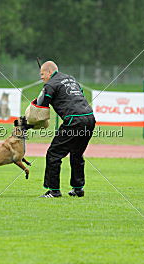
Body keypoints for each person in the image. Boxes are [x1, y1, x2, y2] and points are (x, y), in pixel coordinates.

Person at [36, 61, 96, 198]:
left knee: (53, 154)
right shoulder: (71, 79)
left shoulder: (50, 84)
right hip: (89, 118)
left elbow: (41, 104)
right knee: (76, 154)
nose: (41, 77)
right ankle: (78, 189)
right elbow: (78, 95)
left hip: (74, 120)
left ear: (50, 72)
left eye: (42, 74)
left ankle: (54, 191)